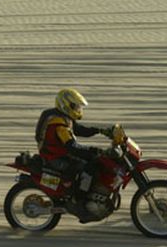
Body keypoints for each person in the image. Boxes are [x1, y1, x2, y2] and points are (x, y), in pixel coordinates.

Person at [35, 88, 113, 221]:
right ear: (65, 105)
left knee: (91, 160)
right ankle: (76, 201)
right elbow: (71, 146)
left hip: (58, 152)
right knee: (86, 167)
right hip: (54, 156)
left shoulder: (63, 117)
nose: (78, 109)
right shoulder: (58, 123)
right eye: (75, 106)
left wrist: (100, 131)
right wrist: (93, 150)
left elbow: (78, 129)